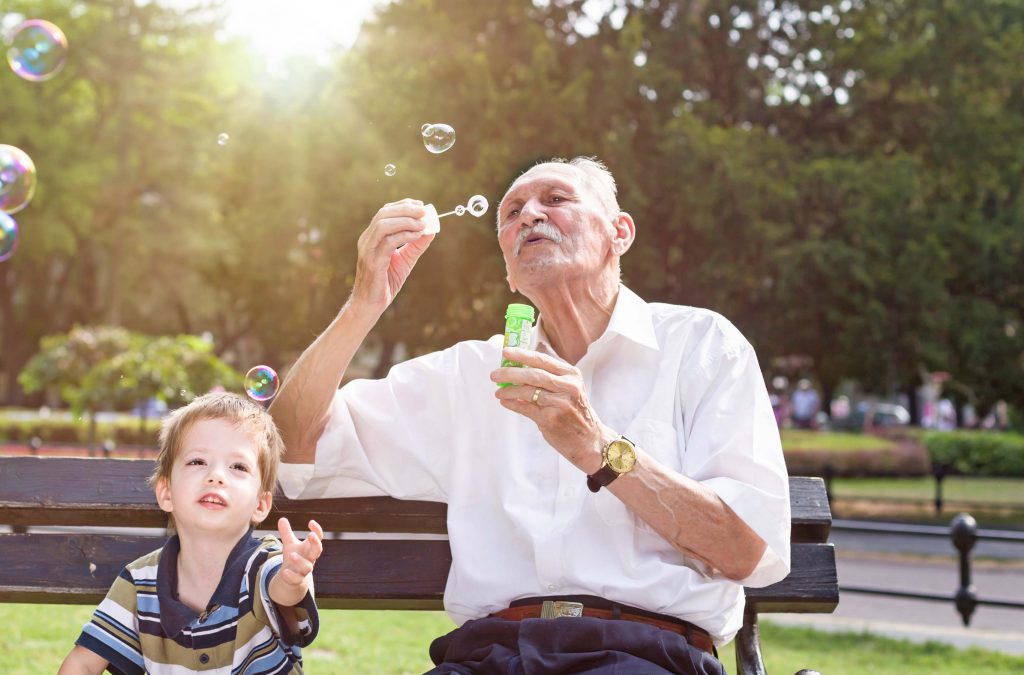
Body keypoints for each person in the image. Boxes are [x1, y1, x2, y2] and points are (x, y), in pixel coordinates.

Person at [271, 157, 789, 674]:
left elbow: (743, 549)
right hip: (488, 655)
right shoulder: (468, 375)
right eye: (512, 212)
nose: (529, 216)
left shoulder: (701, 346)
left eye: (556, 199)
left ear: (620, 232)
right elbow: (292, 441)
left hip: (645, 654)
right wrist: (365, 301)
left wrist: (595, 447)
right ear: (510, 272)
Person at [58, 392, 324, 675]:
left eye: (238, 466)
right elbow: (84, 663)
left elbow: (282, 590)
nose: (216, 475)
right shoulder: (139, 583)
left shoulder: (263, 566)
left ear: (260, 505)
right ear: (167, 492)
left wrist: (293, 576)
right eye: (197, 461)